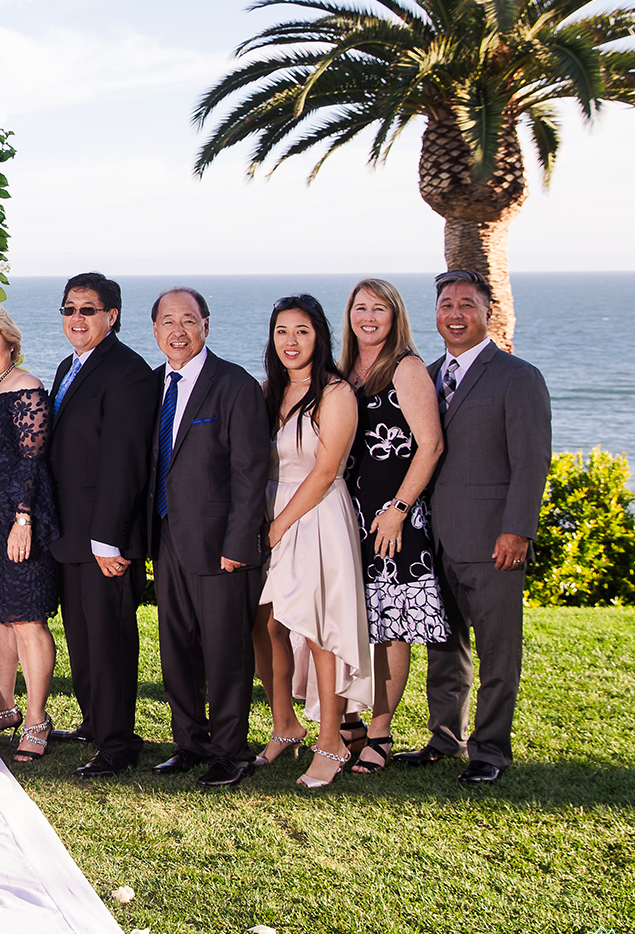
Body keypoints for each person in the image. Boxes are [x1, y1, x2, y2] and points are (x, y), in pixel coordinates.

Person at [395, 270, 552, 785]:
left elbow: (531, 462)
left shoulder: (517, 376)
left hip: (492, 539)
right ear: (435, 313)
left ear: (489, 312)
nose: (455, 313)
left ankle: (490, 749)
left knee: (498, 649)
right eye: (446, 304)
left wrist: (518, 530)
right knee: (444, 646)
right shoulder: (425, 374)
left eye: (466, 303)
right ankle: (445, 738)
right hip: (433, 536)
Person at [148, 287, 271, 789]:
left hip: (220, 542)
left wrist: (240, 544)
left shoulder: (234, 385)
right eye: (168, 321)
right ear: (155, 330)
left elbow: (251, 472)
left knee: (225, 651)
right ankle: (190, 742)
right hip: (165, 536)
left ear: (205, 325)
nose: (178, 330)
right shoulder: (151, 384)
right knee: (176, 646)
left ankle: (230, 750)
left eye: (189, 320)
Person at [42, 273, 156, 780]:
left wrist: (107, 539)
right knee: (82, 637)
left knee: (109, 640)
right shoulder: (70, 365)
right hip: (71, 534)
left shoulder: (128, 373)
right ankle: (94, 722)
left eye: (88, 310)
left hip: (103, 538)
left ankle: (118, 743)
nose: (76, 319)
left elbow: (123, 464)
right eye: (69, 309)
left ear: (112, 316)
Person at [255, 295, 370, 789]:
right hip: (269, 509)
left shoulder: (335, 392)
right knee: (266, 625)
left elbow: (325, 471)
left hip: (316, 515)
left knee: (321, 630)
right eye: (282, 331)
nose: (291, 342)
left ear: (319, 335)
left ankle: (332, 742)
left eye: (301, 331)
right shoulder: (268, 392)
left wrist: (279, 526)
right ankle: (286, 725)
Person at [338, 278, 448, 775]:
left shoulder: (406, 367)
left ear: (395, 315)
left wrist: (399, 509)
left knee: (390, 629)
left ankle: (379, 734)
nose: (368, 317)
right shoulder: (342, 371)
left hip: (392, 520)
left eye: (378, 308)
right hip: (349, 517)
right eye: (360, 308)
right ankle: (351, 724)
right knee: (355, 624)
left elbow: (431, 445)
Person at [0, 301, 62, 765]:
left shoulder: (26, 388)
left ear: (9, 345)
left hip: (20, 515)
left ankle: (38, 719)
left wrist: (23, 519)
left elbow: (32, 459)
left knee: (25, 619)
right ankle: (3, 708)